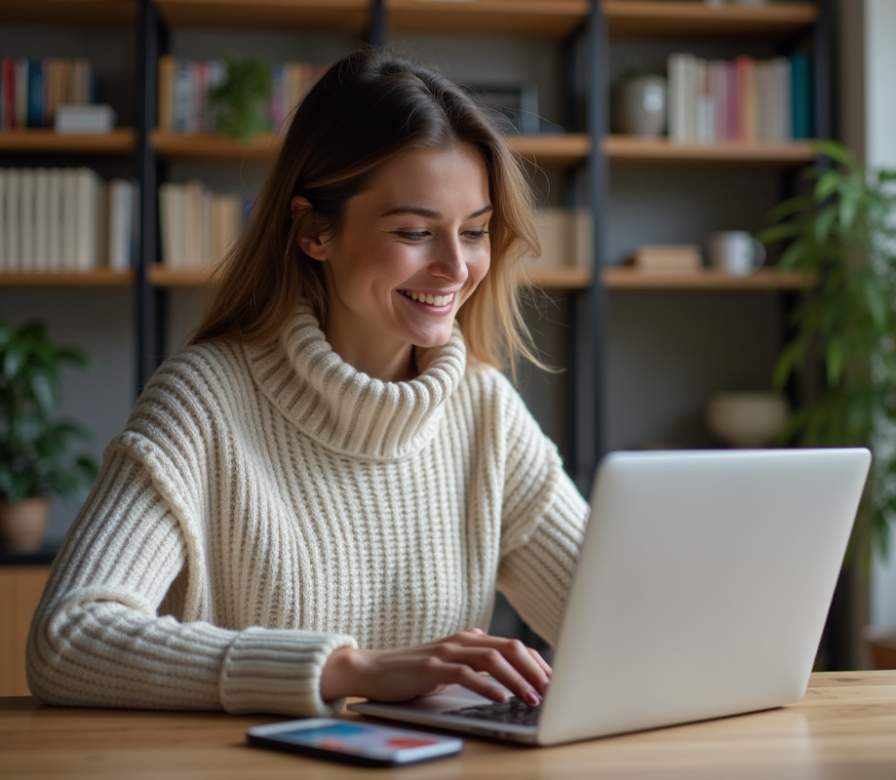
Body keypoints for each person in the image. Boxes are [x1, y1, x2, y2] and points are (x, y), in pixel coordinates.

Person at [26, 49, 590, 717]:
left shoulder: (484, 408)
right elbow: (68, 639)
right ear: (314, 230)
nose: (455, 268)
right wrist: (347, 669)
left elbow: (621, 622)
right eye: (414, 231)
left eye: (474, 232)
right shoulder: (203, 398)